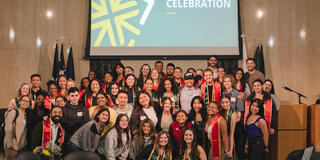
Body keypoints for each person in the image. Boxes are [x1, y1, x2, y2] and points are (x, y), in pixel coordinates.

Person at [244, 79, 278, 160]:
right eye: (254, 86)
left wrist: (273, 126)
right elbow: (247, 112)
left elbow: (274, 112)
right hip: (253, 123)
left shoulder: (268, 97)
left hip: (264, 123)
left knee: (262, 149)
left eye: (258, 85)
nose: (256, 87)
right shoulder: (250, 98)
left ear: (262, 86)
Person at [4, 95, 32, 160]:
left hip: (22, 147)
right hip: (12, 147)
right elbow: (8, 129)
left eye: (28, 101)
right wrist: (11, 144)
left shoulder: (27, 115)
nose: (26, 102)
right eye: (24, 100)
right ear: (19, 102)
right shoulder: (14, 112)